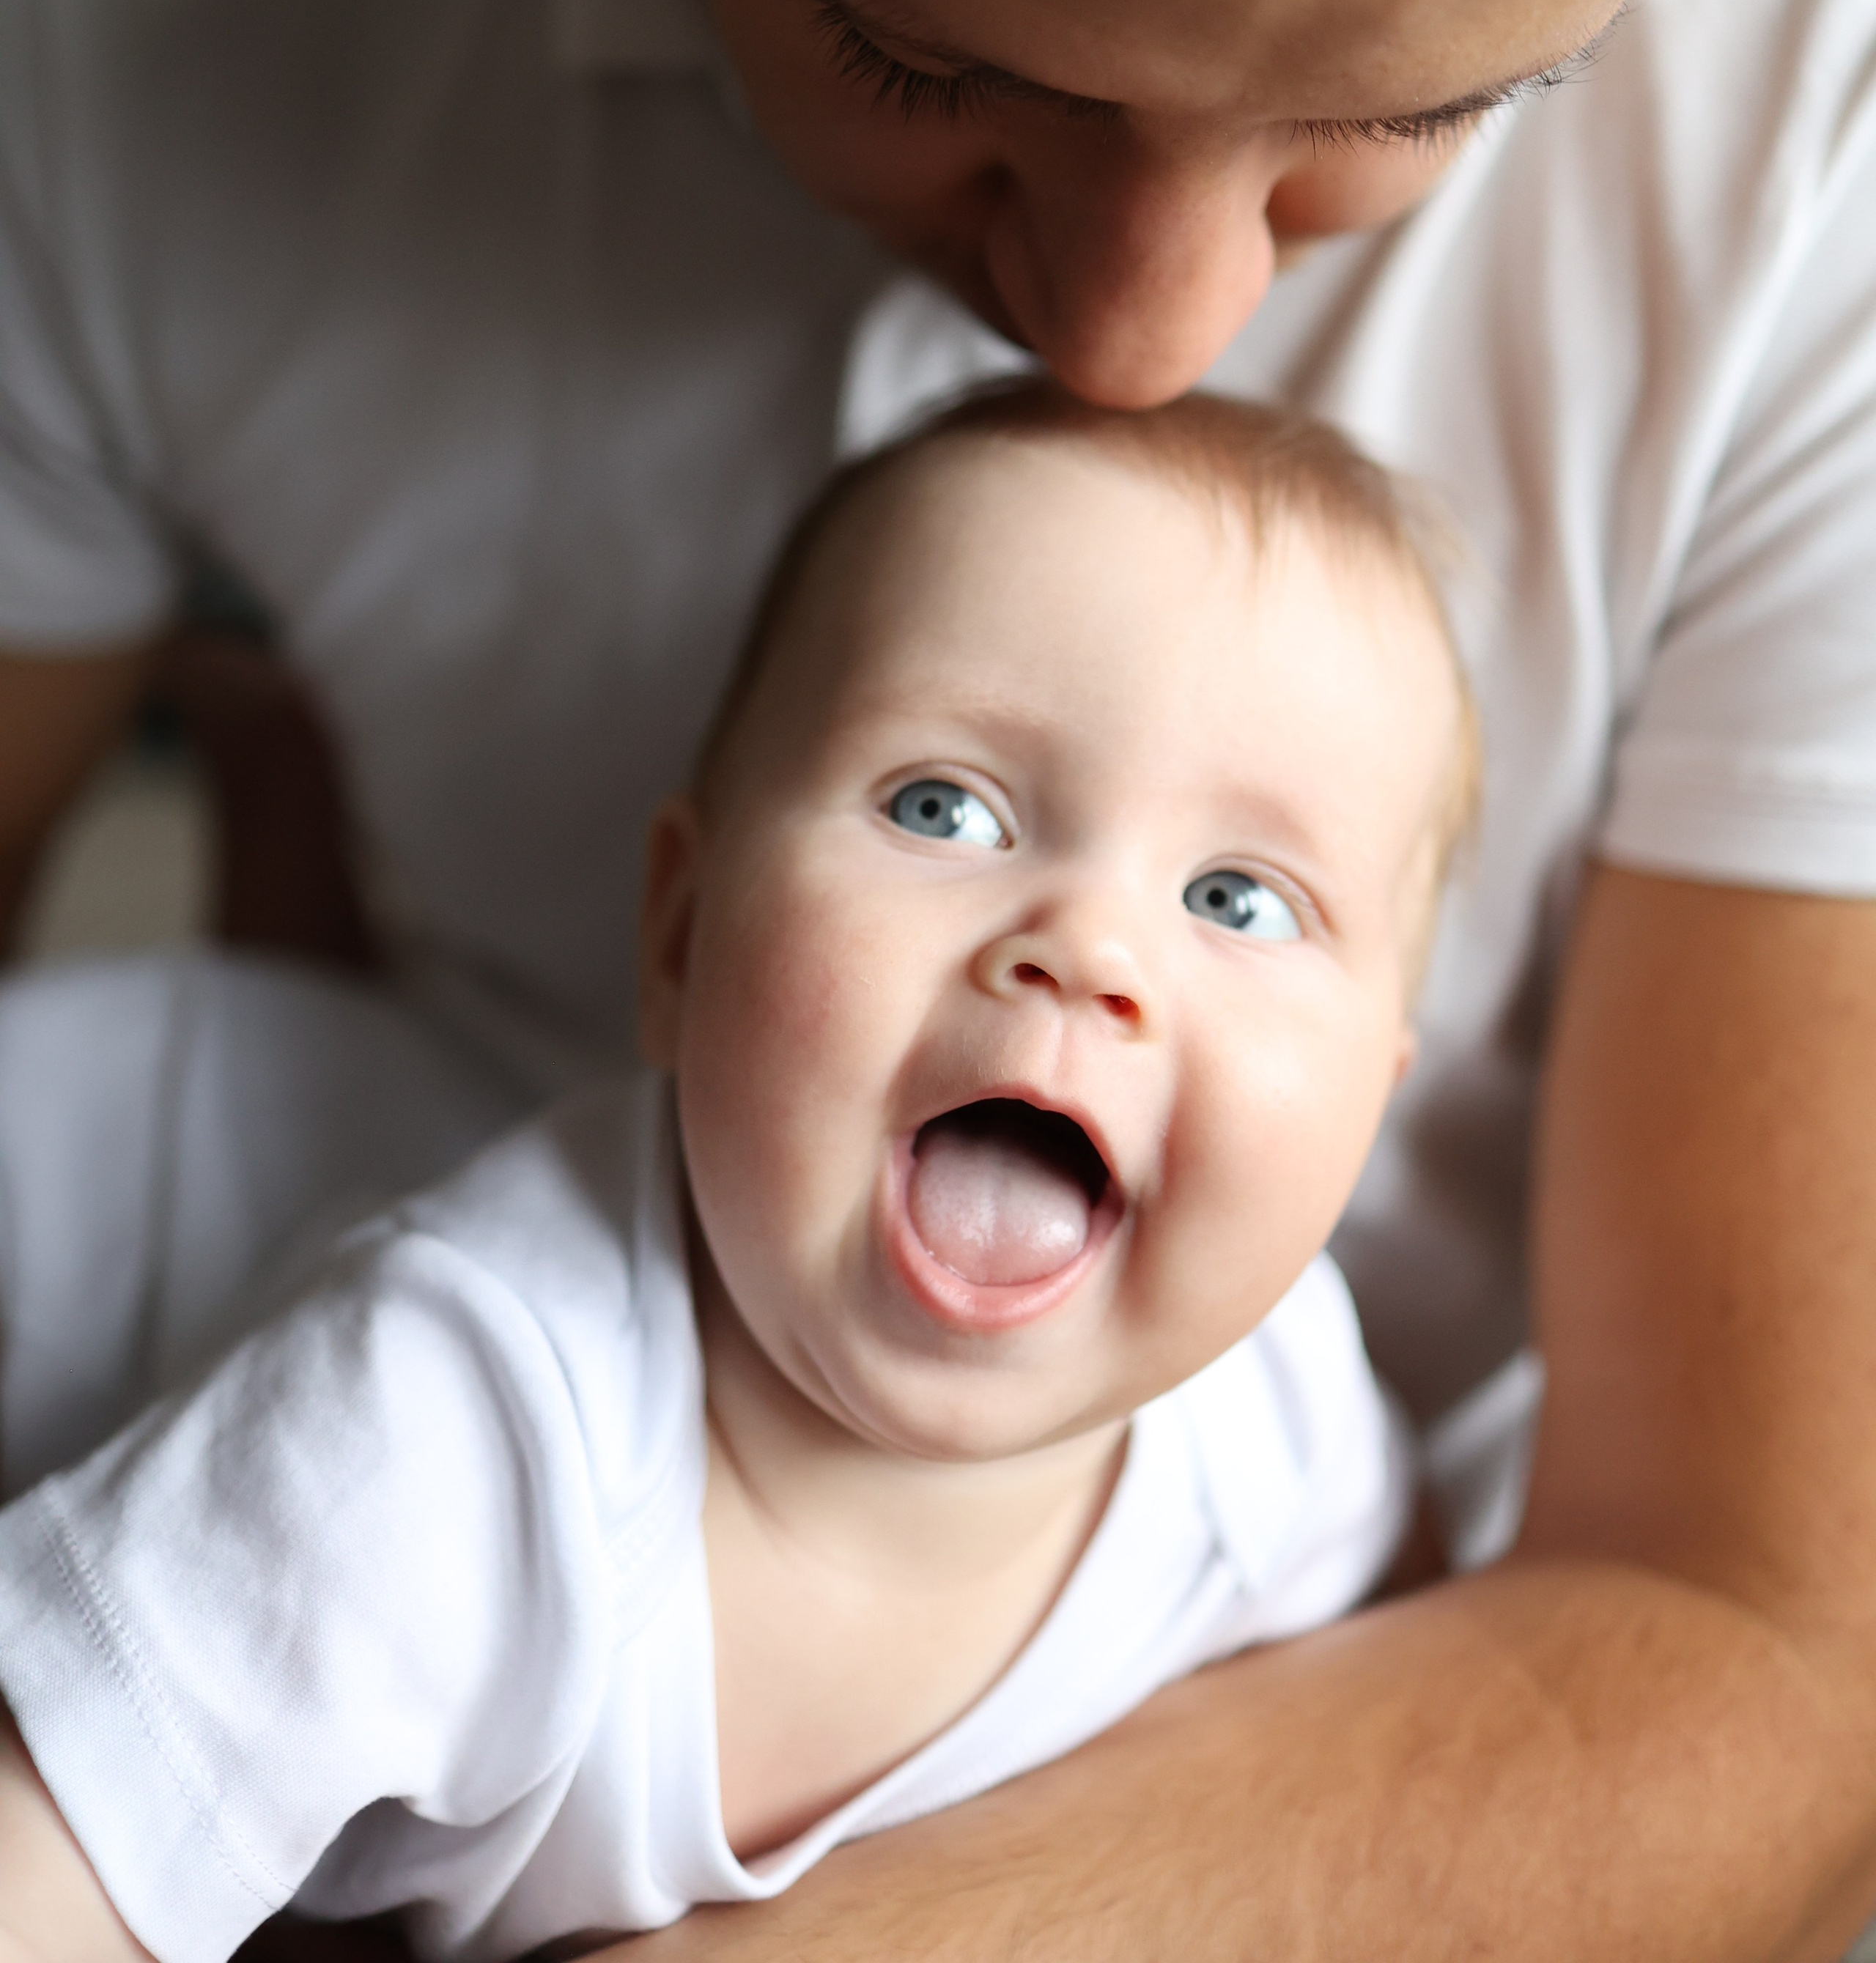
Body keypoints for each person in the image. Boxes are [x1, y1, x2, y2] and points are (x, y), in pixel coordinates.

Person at [5, 0, 1876, 1952]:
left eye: (1440, 101)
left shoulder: (1833, 143)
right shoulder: (139, 35)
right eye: (927, 50)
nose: (1140, 337)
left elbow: (1765, 1637)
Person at [0, 386, 1471, 1959]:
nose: (1086, 949)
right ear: (680, 939)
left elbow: (1416, 1668)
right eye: (944, 807)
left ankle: (267, 780)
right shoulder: (451, 1436)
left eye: (1239, 901)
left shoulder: (1275, 1430)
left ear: (1366, 1113)